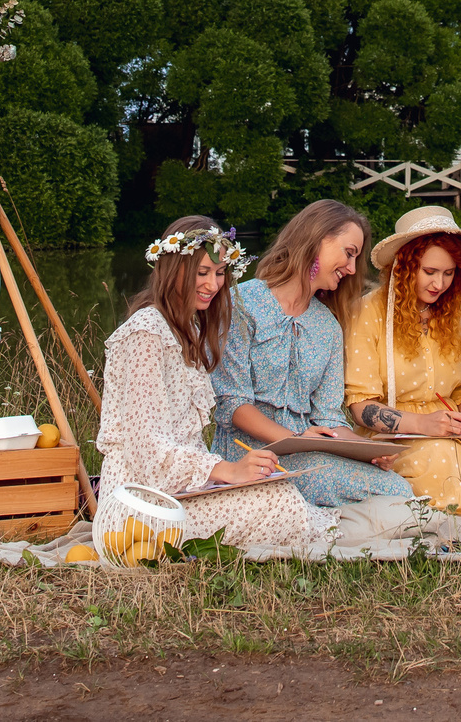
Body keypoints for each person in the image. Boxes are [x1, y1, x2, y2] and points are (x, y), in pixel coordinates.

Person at [94, 216, 328, 550]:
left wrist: (223, 477)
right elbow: (145, 451)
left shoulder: (185, 330)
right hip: (137, 507)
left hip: (174, 493)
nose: (213, 284)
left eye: (219, 274)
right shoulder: (145, 334)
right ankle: (324, 532)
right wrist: (226, 470)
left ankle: (321, 528)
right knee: (280, 505)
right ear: (173, 269)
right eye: (202, 272)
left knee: (278, 492)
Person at [213, 198, 415, 511]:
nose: (350, 268)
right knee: (333, 480)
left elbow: (328, 418)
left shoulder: (328, 327)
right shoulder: (240, 304)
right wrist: (297, 438)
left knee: (397, 488)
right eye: (349, 253)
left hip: (308, 450)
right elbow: (234, 404)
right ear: (317, 238)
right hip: (248, 453)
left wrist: (366, 450)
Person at [343, 204, 461, 516]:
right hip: (397, 436)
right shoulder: (367, 313)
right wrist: (423, 424)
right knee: (444, 465)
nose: (439, 285)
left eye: (448, 273)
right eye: (429, 272)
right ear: (403, 268)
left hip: (451, 432)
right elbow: (361, 406)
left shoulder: (458, 315)